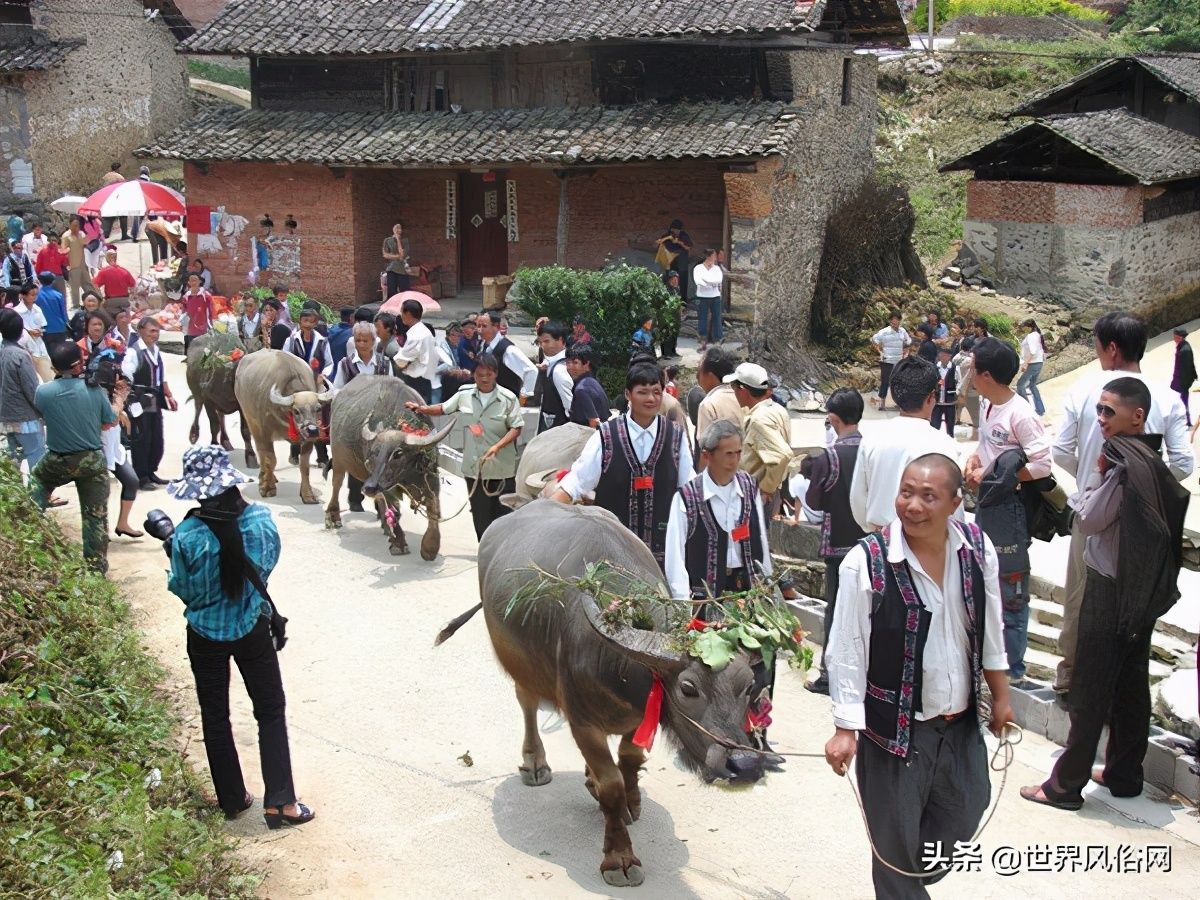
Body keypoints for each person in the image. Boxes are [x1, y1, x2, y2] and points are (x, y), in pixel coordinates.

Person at [825, 453, 1012, 900]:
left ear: (954, 502)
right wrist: (845, 727)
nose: (912, 505)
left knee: (965, 811)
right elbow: (847, 650)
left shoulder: (976, 549)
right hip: (893, 732)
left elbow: (991, 627)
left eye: (929, 496)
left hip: (960, 722)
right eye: (906, 493)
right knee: (894, 849)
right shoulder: (864, 562)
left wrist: (1001, 696)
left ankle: (910, 877)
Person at [1023, 378, 1189, 810]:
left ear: (1137, 416)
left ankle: (1065, 785)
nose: (1101, 419)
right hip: (1140, 589)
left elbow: (1092, 519)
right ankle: (1123, 773)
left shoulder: (1119, 461)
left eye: (1108, 412)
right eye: (1099, 410)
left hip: (1109, 587)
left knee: (1091, 686)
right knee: (1132, 683)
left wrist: (1087, 486)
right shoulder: (1151, 457)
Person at [164, 445, 315, 829]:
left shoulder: (187, 535)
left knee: (215, 715)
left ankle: (233, 799)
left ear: (198, 491)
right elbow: (263, 573)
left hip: (203, 636)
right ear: (231, 484)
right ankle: (281, 803)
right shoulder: (262, 522)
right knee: (270, 712)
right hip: (252, 630)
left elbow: (184, 589)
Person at [1050, 311, 1194, 695]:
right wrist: (1143, 488)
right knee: (1136, 598)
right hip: (1146, 521)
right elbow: (1182, 462)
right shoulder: (1165, 396)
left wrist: (1094, 483)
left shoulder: (1086, 389)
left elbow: (1061, 450)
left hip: (1093, 515)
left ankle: (1070, 678)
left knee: (1081, 595)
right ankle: (1122, 686)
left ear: (1111, 348)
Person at [964, 338, 1052, 683]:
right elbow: (990, 446)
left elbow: (1043, 464)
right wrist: (976, 459)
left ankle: (1013, 668)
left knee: (1011, 592)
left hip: (1011, 514)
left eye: (973, 368)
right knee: (983, 582)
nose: (969, 373)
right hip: (988, 508)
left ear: (985, 375)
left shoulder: (1021, 414)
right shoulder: (988, 406)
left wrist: (1004, 480)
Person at [554, 362, 695, 568]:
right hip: (611, 551)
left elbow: (689, 488)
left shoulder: (676, 436)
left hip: (663, 552)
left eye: (657, 392)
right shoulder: (606, 435)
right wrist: (546, 511)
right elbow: (577, 481)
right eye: (643, 392)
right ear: (628, 394)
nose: (651, 398)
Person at [409, 353, 524, 540]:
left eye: (489, 374)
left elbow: (517, 428)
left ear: (495, 374)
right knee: (481, 517)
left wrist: (497, 447)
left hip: (502, 469)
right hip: (474, 470)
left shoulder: (508, 398)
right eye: (480, 374)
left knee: (504, 517)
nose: (484, 378)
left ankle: (501, 551)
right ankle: (484, 550)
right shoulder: (464, 395)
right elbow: (443, 408)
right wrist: (422, 409)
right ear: (473, 375)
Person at [798, 388, 866, 695]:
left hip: (838, 546)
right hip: (869, 545)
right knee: (864, 612)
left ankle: (829, 676)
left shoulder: (830, 457)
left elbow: (815, 500)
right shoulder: (871, 450)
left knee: (835, 610)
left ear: (834, 418)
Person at [29, 341, 118, 572]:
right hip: (91, 463)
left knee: (37, 480)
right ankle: (95, 570)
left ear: (55, 368)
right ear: (78, 365)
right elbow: (109, 422)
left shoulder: (43, 392)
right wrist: (119, 399)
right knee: (95, 517)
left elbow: (41, 412)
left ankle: (28, 520)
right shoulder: (95, 390)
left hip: (57, 461)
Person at [665, 419, 772, 601]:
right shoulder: (687, 497)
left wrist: (767, 582)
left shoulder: (749, 487)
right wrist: (682, 601)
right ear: (707, 456)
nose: (735, 460)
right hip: (704, 597)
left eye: (738, 452)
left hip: (747, 592)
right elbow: (675, 555)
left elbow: (760, 537)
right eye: (728, 454)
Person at [849, 357, 960, 532]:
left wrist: (870, 526)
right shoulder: (945, 445)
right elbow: (953, 508)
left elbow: (858, 498)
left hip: (882, 539)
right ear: (932, 397)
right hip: (927, 542)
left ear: (894, 394)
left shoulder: (873, 439)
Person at [332, 322, 392, 512]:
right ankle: (354, 498)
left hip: (378, 422)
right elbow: (337, 391)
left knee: (380, 460)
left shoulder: (385, 363)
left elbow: (392, 388)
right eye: (358, 340)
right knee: (355, 458)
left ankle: (381, 502)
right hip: (354, 421)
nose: (361, 344)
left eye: (365, 340)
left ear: (374, 341)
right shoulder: (345, 364)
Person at [728, 363, 791, 519]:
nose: (734, 393)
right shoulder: (776, 409)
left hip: (757, 496)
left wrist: (766, 488)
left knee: (752, 541)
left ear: (743, 390)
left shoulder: (759, 420)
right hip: (767, 493)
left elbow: (782, 455)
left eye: (734, 388)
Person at [122, 316, 178, 489]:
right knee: (142, 438)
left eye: (157, 331)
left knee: (156, 437)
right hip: (139, 400)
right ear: (140, 331)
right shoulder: (133, 353)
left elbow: (162, 375)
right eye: (151, 331)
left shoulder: (155, 350)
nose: (155, 335)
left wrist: (168, 393)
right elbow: (125, 377)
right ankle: (142, 476)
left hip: (155, 399)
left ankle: (151, 470)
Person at [0, 307, 49, 479]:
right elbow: (31, 389)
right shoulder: (21, 355)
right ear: (21, 330)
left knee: (12, 460)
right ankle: (40, 495)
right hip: (25, 416)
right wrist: (43, 410)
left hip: (5, 416)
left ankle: (17, 498)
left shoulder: (2, 351)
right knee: (37, 456)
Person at [476, 309, 538, 400]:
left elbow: (531, 370)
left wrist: (523, 396)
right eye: (478, 326)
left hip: (506, 402)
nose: (480, 330)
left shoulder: (508, 349)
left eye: (484, 326)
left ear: (496, 327)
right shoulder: (482, 345)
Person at [694, 347, 741, 455]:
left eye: (700, 370)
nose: (697, 376)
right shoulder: (741, 396)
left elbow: (706, 451)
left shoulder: (709, 405)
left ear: (710, 376)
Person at [390, 298, 436, 403]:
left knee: (415, 413)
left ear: (408, 314)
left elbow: (402, 361)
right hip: (423, 379)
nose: (401, 315)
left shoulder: (417, 334)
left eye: (402, 312)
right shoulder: (422, 330)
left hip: (416, 381)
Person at [535, 319, 572, 433]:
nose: (543, 346)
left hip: (558, 429)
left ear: (561, 340)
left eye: (547, 341)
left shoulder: (560, 370)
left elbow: (570, 407)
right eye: (540, 343)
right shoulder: (550, 362)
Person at [870, 312, 911, 411]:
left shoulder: (902, 331)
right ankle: (882, 404)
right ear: (890, 321)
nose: (895, 322)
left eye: (897, 320)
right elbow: (874, 339)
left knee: (900, 382)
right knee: (885, 382)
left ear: (900, 321)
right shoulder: (884, 332)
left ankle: (899, 403)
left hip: (899, 360)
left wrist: (906, 351)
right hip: (887, 360)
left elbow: (908, 341)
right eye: (893, 320)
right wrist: (879, 351)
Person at [565, 343, 611, 427]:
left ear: (586, 364)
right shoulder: (592, 382)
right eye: (568, 362)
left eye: (575, 362)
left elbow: (593, 422)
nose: (570, 367)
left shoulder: (581, 389)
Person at [15, 281, 52, 382]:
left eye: (36, 294)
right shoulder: (16, 312)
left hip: (39, 345)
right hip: (26, 347)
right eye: (32, 295)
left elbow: (43, 326)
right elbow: (16, 330)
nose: (34, 297)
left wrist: (40, 331)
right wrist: (28, 332)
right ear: (23, 295)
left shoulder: (37, 309)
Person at [693, 249, 723, 351]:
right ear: (708, 257)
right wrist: (710, 282)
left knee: (717, 318)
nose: (715, 258)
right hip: (702, 296)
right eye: (713, 256)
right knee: (702, 318)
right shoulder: (698, 268)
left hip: (715, 296)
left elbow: (718, 280)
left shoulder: (717, 269)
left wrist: (706, 280)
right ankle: (702, 341)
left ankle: (717, 340)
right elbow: (698, 281)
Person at [92, 248, 136, 317]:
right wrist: (130, 298)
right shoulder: (124, 271)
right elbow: (133, 286)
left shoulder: (104, 271)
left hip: (111, 302)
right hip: (125, 301)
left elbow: (94, 285)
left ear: (107, 259)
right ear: (116, 258)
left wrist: (101, 298)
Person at [1016, 318, 1047, 416]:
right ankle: (1040, 409)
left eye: (1024, 327)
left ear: (1028, 327)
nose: (1023, 329)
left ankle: (1027, 410)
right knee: (1032, 385)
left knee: (1020, 385)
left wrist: (1025, 364)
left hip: (1033, 364)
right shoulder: (1037, 335)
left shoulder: (1031, 336)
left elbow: (1032, 352)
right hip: (1038, 363)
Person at [655, 218, 693, 296]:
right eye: (673, 230)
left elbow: (688, 247)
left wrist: (679, 242)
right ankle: (669, 301)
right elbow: (658, 247)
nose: (674, 232)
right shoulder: (666, 235)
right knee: (669, 283)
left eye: (676, 230)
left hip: (682, 264)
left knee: (682, 284)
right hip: (669, 264)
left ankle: (683, 304)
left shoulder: (684, 235)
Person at [35, 270, 69, 354]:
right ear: (52, 281)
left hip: (44, 330)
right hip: (59, 328)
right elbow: (64, 313)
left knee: (48, 354)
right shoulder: (58, 295)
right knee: (60, 354)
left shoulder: (36, 296)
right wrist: (67, 325)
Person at [182, 273, 214, 352]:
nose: (193, 283)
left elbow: (211, 312)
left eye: (195, 280)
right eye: (191, 281)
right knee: (191, 352)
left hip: (202, 330)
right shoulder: (186, 297)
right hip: (190, 330)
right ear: (188, 283)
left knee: (202, 352)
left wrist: (211, 326)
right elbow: (184, 312)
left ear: (199, 281)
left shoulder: (206, 296)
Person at [1171, 327, 1197, 427]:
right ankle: (1182, 419)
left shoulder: (1185, 350)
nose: (1173, 338)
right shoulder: (1182, 345)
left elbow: (1188, 368)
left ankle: (1188, 421)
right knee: (1176, 398)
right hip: (1177, 378)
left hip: (1182, 381)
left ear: (1180, 337)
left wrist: (1184, 385)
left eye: (1175, 336)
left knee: (1183, 400)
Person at [930, 346, 957, 436]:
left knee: (950, 426)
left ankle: (950, 443)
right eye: (941, 355)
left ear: (950, 357)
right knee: (934, 425)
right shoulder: (935, 367)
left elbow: (959, 382)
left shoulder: (954, 368)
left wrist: (958, 395)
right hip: (937, 402)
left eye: (945, 355)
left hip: (950, 401)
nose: (943, 357)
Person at [100, 162, 129, 242]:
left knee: (107, 218)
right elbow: (123, 189)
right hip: (117, 199)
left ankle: (104, 234)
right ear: (118, 169)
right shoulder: (120, 177)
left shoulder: (105, 176)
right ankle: (124, 235)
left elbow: (102, 186)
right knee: (123, 216)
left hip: (107, 198)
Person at [2, 238, 35, 306]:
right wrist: (8, 287)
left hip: (26, 285)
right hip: (16, 286)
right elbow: (6, 273)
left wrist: (34, 279)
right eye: (19, 248)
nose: (21, 250)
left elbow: (31, 269)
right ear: (13, 248)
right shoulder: (8, 259)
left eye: (21, 248)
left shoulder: (25, 257)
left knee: (28, 303)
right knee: (18, 304)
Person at [382, 222, 411, 298]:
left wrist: (398, 239)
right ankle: (392, 308)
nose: (398, 230)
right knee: (391, 293)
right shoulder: (387, 240)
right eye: (396, 228)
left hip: (402, 270)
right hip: (391, 269)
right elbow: (385, 255)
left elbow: (402, 254)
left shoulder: (405, 240)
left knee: (404, 293)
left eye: (400, 228)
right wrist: (397, 257)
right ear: (392, 228)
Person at [659, 270, 683, 358]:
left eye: (677, 279)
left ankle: (673, 351)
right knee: (667, 334)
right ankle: (666, 353)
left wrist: (680, 312)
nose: (676, 281)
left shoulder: (677, 289)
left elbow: (679, 302)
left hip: (676, 316)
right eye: (674, 279)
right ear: (669, 280)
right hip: (668, 316)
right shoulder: (665, 290)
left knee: (675, 333)